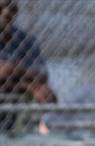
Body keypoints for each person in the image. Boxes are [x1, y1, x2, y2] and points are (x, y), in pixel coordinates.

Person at [0, 0, 56, 130]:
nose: (6, 12)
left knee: (47, 95)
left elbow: (41, 75)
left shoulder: (25, 40)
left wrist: (12, 70)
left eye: (12, 8)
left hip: (15, 103)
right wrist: (28, 83)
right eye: (0, 8)